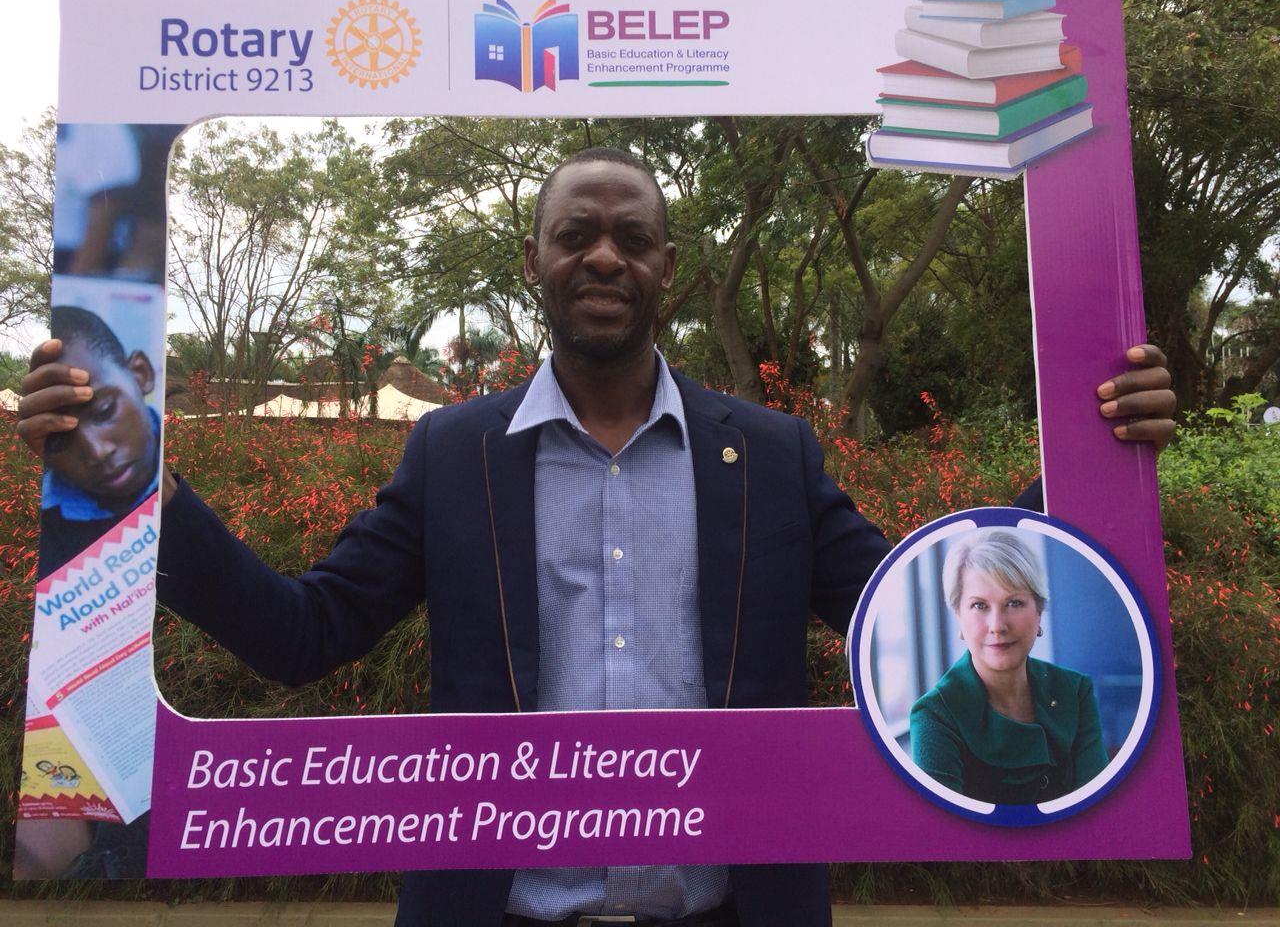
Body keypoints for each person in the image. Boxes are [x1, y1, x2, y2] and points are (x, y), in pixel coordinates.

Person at [19, 147, 1178, 925]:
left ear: (668, 266)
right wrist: (131, 489)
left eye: (631, 236)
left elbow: (925, 626)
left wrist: (1091, 465)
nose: (604, 254)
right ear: (533, 262)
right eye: (575, 233)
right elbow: (300, 634)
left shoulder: (771, 457)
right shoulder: (452, 455)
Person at [910, 529, 1107, 804]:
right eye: (979, 605)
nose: (997, 626)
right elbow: (942, 828)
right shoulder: (934, 714)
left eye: (1014, 603)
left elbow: (1100, 810)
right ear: (958, 616)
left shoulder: (1075, 690)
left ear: (1039, 611)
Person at [33, 305, 161, 579]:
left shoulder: (181, 476)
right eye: (61, 439)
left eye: (104, 411)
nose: (97, 452)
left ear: (141, 374)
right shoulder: (50, 519)